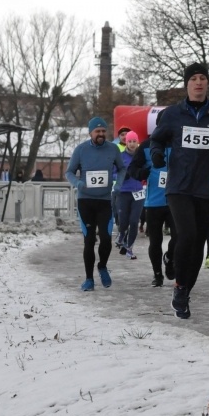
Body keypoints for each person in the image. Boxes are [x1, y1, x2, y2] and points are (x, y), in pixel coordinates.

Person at [150, 63, 209, 319]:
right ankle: (177, 279)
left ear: (207, 84)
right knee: (187, 234)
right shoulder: (173, 114)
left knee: (198, 243)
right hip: (178, 186)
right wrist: (156, 153)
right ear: (187, 84)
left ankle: (184, 291)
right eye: (194, 79)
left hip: (205, 187)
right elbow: (157, 138)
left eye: (203, 79)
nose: (199, 83)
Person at [65, 117, 125, 291]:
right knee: (89, 240)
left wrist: (118, 184)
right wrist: (78, 184)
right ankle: (89, 279)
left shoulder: (113, 149)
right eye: (97, 131)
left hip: (104, 200)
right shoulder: (81, 150)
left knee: (106, 239)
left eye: (103, 131)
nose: (101, 134)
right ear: (90, 132)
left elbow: (122, 168)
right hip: (85, 201)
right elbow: (69, 172)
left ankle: (102, 266)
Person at [128, 134, 178, 287]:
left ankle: (170, 258)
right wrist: (140, 174)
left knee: (180, 236)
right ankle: (157, 275)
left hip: (176, 200)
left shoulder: (179, 142)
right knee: (155, 240)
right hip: (154, 202)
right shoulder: (146, 145)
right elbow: (133, 168)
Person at [115, 131, 145, 259]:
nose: (132, 144)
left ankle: (129, 249)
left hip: (138, 192)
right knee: (123, 221)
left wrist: (144, 175)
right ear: (126, 142)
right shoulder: (120, 157)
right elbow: (112, 173)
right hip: (124, 192)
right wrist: (122, 176)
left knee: (134, 221)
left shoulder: (141, 157)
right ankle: (121, 235)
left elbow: (147, 169)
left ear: (138, 142)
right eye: (130, 141)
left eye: (134, 141)